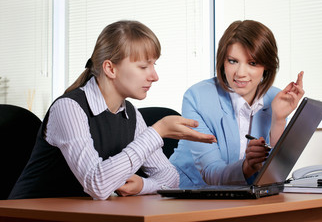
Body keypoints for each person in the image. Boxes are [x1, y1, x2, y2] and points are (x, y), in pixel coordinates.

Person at [8, 20, 216, 200]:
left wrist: (143, 186)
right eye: (144, 67)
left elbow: (170, 179)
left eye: (154, 65)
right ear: (110, 68)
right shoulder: (69, 108)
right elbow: (97, 184)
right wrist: (157, 132)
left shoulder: (131, 114)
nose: (154, 76)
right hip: (29, 215)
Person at [169, 20, 304, 187]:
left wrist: (279, 120)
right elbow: (211, 173)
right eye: (232, 61)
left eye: (252, 63)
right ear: (222, 61)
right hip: (190, 195)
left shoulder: (276, 98)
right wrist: (247, 167)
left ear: (267, 67)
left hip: (242, 197)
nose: (240, 73)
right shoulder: (198, 97)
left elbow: (274, 176)